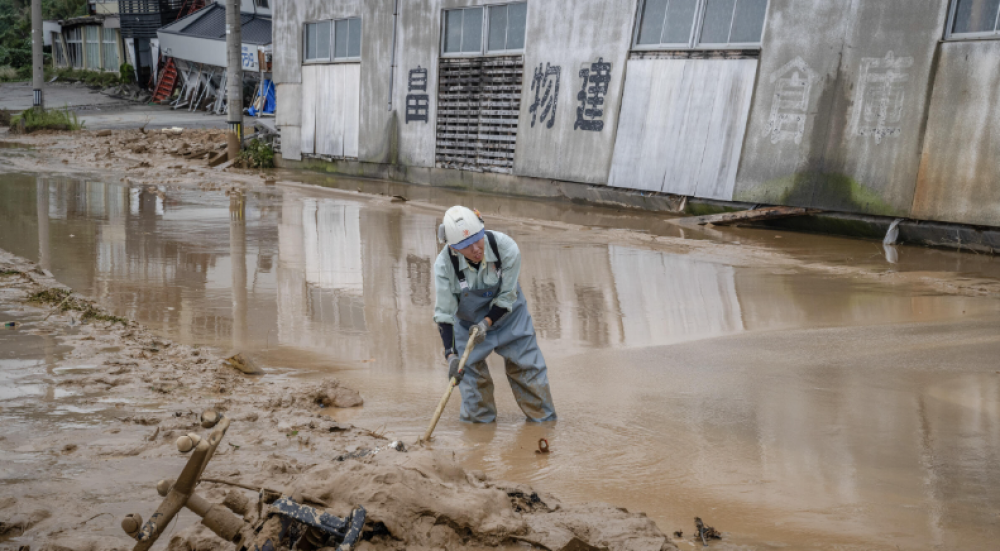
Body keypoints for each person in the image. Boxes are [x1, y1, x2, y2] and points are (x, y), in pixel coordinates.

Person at [433, 206, 556, 423]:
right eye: (465, 246)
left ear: (482, 230)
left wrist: (486, 324)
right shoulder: (444, 266)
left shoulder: (506, 248)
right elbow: (444, 315)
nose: (475, 249)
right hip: (468, 327)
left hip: (510, 318)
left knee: (529, 371)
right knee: (472, 386)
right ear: (453, 247)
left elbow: (507, 297)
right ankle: (479, 439)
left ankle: (543, 426)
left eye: (477, 240)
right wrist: (451, 356)